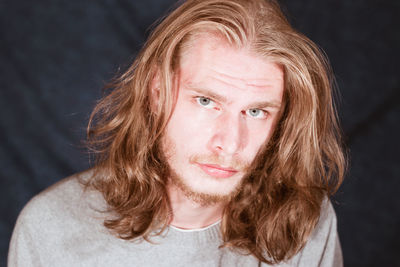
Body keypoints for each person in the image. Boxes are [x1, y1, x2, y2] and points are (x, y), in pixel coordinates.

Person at [8, 0, 346, 266]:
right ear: (157, 91)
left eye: (255, 112)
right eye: (205, 101)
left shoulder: (304, 220)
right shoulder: (50, 227)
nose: (229, 142)